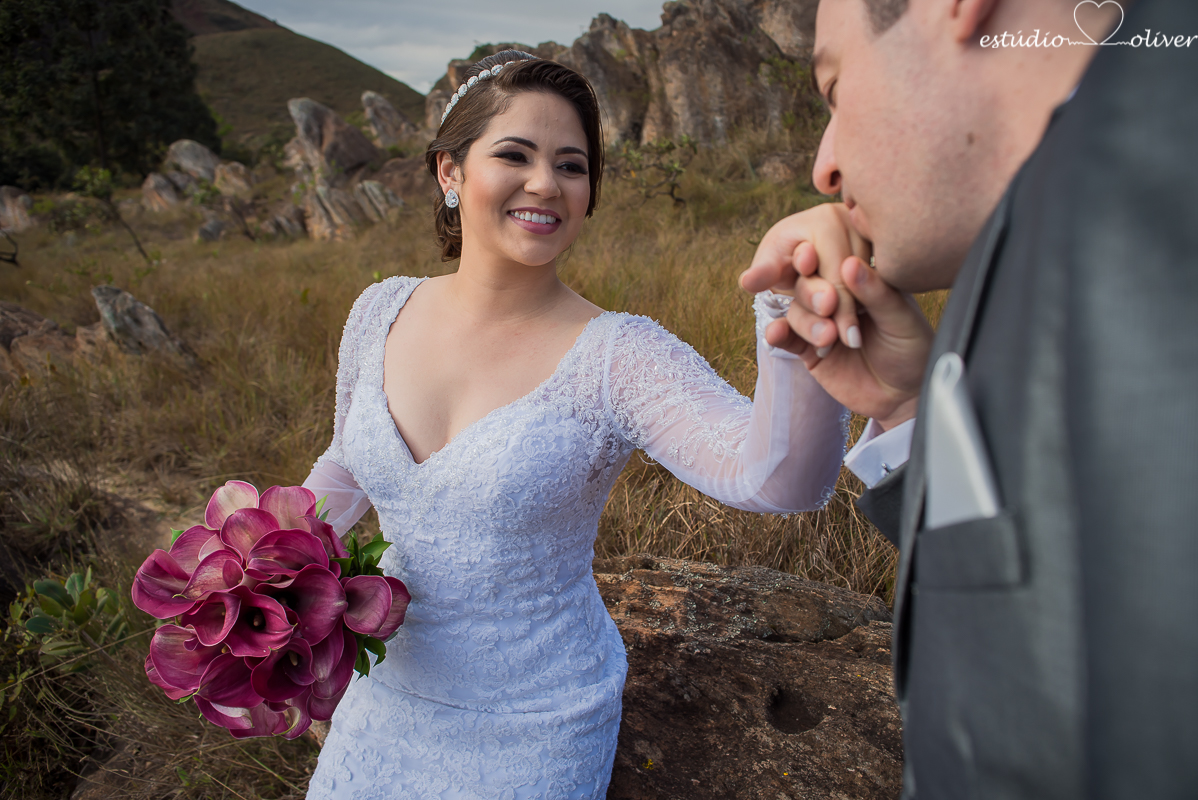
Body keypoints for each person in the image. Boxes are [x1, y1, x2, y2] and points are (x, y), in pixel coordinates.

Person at [300, 51, 847, 798]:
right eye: (514, 155)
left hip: (532, 726)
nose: (546, 184)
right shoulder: (378, 312)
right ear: (449, 173)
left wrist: (794, 321)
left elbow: (780, 482)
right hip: (382, 698)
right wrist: (268, 589)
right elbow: (345, 464)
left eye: (572, 165)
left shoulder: (618, 355)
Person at [741, 0, 1198, 797]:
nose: (824, 167)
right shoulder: (1058, 211)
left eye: (835, 88)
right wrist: (915, 409)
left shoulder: (1151, 202)